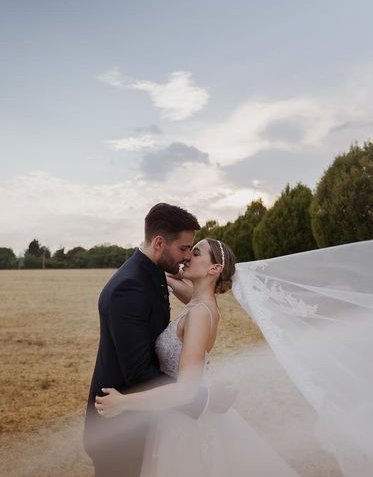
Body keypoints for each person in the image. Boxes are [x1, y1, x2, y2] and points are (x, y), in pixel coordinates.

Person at [95, 237, 298, 477]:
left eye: (196, 252)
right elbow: (173, 282)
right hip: (171, 415)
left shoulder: (201, 314)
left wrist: (124, 402)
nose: (188, 256)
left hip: (183, 423)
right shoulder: (198, 301)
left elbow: (185, 391)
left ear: (214, 268)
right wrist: (153, 262)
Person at [84, 203, 228, 477]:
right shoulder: (131, 286)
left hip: (150, 417)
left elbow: (199, 302)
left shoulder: (152, 272)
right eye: (184, 249)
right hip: (119, 426)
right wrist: (202, 398)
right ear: (160, 242)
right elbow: (138, 372)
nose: (186, 257)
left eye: (192, 251)